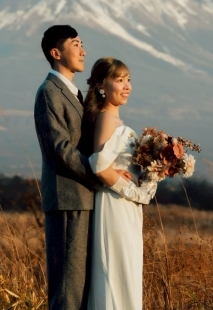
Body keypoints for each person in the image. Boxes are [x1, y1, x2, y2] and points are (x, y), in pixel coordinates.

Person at [33, 26, 132, 310]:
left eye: (82, 44)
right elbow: (59, 149)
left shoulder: (75, 94)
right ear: (56, 53)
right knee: (68, 291)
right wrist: (101, 177)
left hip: (86, 199)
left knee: (85, 290)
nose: (83, 51)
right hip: (68, 200)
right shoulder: (49, 93)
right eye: (75, 45)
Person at [85, 57, 157, 310]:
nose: (127, 86)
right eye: (119, 80)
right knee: (117, 273)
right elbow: (100, 166)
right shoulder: (106, 119)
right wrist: (135, 193)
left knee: (126, 271)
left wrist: (157, 168)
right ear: (103, 86)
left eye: (128, 80)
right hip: (115, 205)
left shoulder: (115, 121)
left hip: (126, 207)